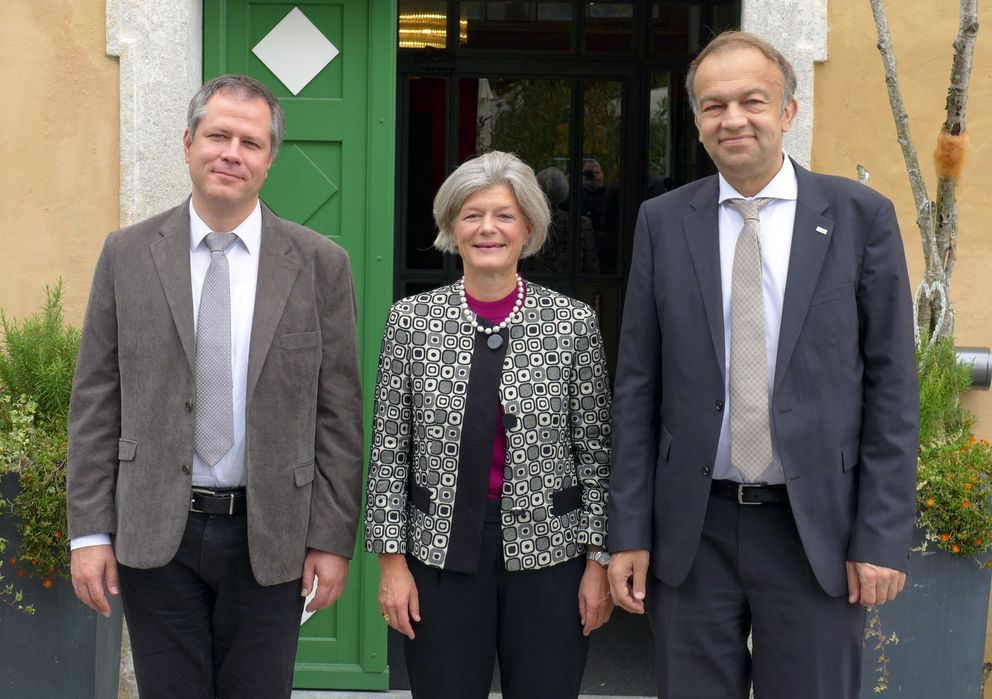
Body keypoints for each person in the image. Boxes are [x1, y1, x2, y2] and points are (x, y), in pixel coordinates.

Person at [607, 31, 918, 699]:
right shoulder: (663, 223)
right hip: (693, 530)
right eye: (714, 106)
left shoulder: (860, 218)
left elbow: (894, 388)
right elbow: (637, 387)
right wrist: (626, 532)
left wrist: (883, 534)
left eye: (753, 100)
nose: (734, 119)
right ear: (696, 123)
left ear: (788, 112)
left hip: (817, 532)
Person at [66, 74, 364, 698]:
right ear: (187, 143)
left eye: (250, 142)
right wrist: (90, 534)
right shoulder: (126, 254)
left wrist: (331, 540)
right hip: (155, 534)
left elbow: (338, 415)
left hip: (271, 536)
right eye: (218, 135)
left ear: (269, 159)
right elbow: (96, 401)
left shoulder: (319, 265)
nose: (232, 152)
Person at [365, 150, 613, 699]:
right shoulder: (411, 321)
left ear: (528, 227)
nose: (488, 228)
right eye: (472, 214)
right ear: (452, 227)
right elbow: (387, 450)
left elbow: (596, 452)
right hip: (438, 553)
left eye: (504, 214)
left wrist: (599, 562)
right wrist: (391, 564)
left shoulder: (573, 323)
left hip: (552, 553)